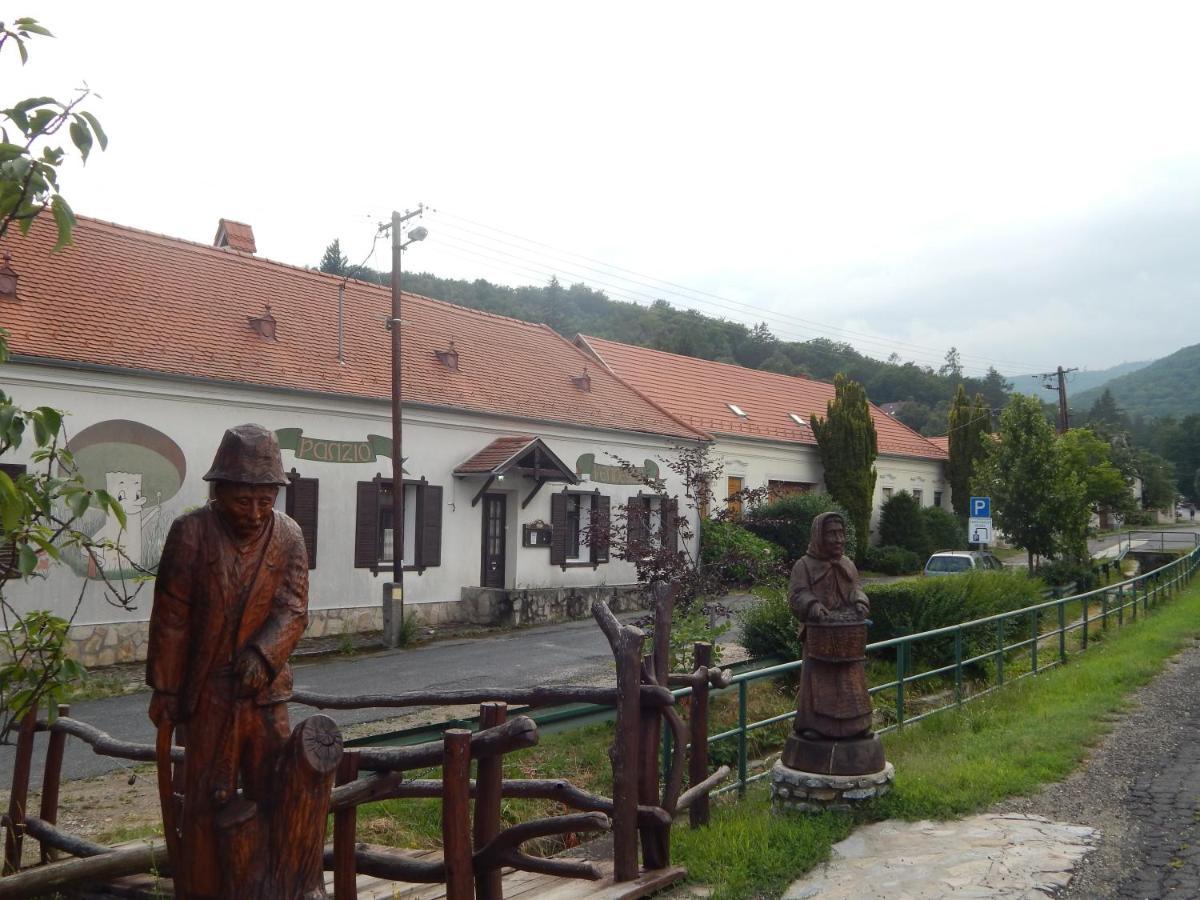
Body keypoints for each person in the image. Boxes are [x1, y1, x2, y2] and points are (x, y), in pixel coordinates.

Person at [146, 424, 308, 899]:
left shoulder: (289, 536)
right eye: (244, 501)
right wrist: (166, 688)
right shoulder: (191, 533)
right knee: (203, 799)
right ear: (219, 492)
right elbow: (172, 615)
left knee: (273, 788)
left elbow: (294, 607)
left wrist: (265, 652)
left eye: (265, 500)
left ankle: (272, 884)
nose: (256, 512)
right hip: (208, 693)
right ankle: (202, 887)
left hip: (265, 693)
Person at [788, 511, 873, 741]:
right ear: (819, 536)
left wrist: (859, 601)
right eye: (832, 534)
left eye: (841, 533)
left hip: (847, 637)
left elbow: (856, 588)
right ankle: (815, 725)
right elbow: (797, 595)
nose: (839, 539)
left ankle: (857, 724)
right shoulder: (803, 566)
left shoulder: (848, 564)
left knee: (852, 682)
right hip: (819, 637)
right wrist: (813, 606)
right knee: (818, 683)